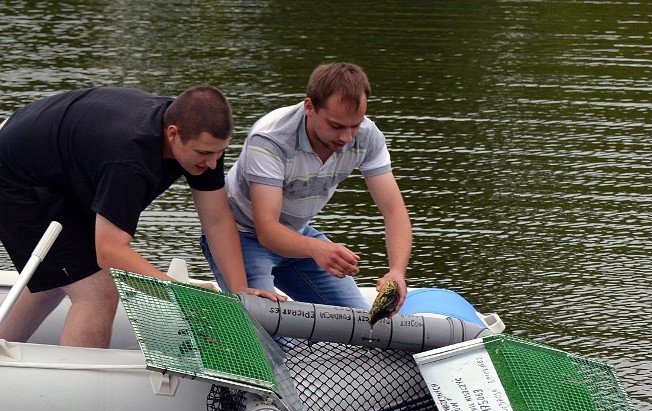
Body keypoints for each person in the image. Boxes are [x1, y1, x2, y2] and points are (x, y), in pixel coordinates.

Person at [0, 85, 279, 348]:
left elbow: (217, 219)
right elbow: (109, 252)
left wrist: (240, 289)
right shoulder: (129, 160)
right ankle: (80, 394)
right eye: (204, 153)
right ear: (173, 133)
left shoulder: (202, 142)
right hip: (13, 174)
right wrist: (177, 294)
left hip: (57, 164)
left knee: (58, 279)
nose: (212, 163)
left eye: (220, 153)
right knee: (98, 293)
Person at [201, 62, 411, 315]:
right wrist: (316, 249)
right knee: (266, 326)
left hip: (297, 234)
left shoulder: (367, 135)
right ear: (309, 107)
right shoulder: (270, 140)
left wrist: (397, 271)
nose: (346, 137)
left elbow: (394, 211)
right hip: (243, 235)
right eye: (336, 126)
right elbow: (266, 231)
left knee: (361, 323)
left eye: (355, 125)